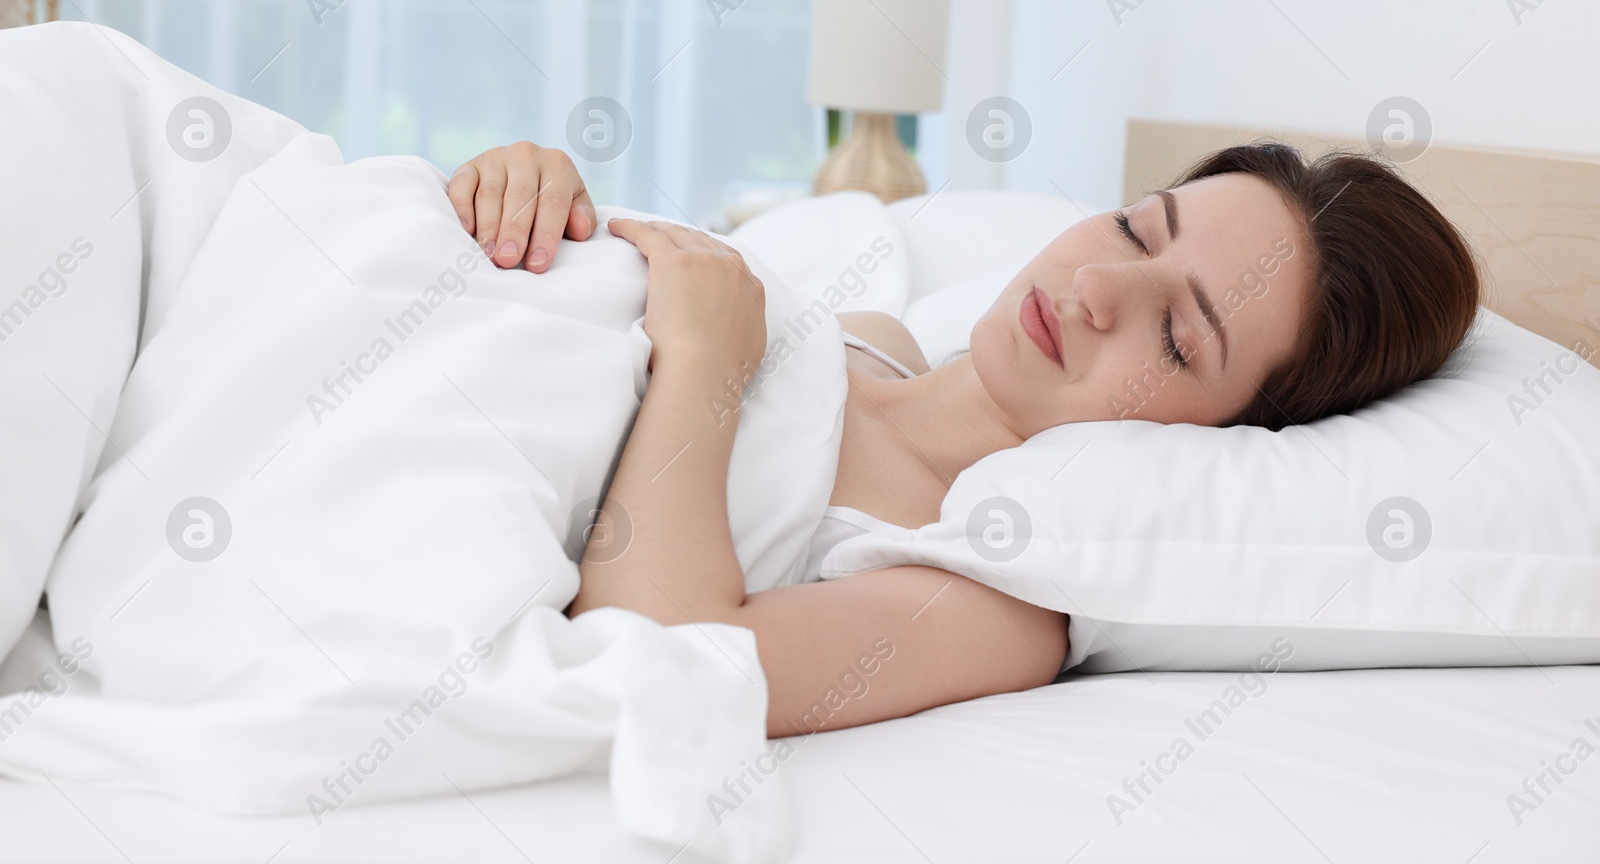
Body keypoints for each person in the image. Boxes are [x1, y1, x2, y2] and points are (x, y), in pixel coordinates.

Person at [448, 138, 1480, 738]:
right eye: (1132, 229)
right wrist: (524, 184)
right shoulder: (874, 339)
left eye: (1176, 332)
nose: (1094, 288)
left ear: (1225, 439)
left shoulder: (994, 598)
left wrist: (705, 373)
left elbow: (655, 662)